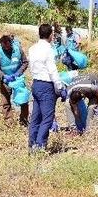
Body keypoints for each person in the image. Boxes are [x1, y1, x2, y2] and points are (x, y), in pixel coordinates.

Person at [28, 24, 66, 152]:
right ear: (51, 35)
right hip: (46, 85)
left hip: (36, 84)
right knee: (48, 118)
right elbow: (52, 70)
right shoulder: (49, 49)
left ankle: (32, 144)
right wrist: (60, 87)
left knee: (36, 117)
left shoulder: (32, 48)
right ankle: (40, 146)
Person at [0, 35, 30, 125]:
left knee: (23, 100)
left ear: (11, 43)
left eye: (8, 46)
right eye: (4, 47)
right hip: (5, 81)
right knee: (5, 102)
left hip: (18, 79)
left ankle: (24, 120)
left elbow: (25, 62)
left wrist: (18, 72)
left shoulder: (18, 49)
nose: (6, 48)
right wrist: (4, 76)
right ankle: (9, 121)